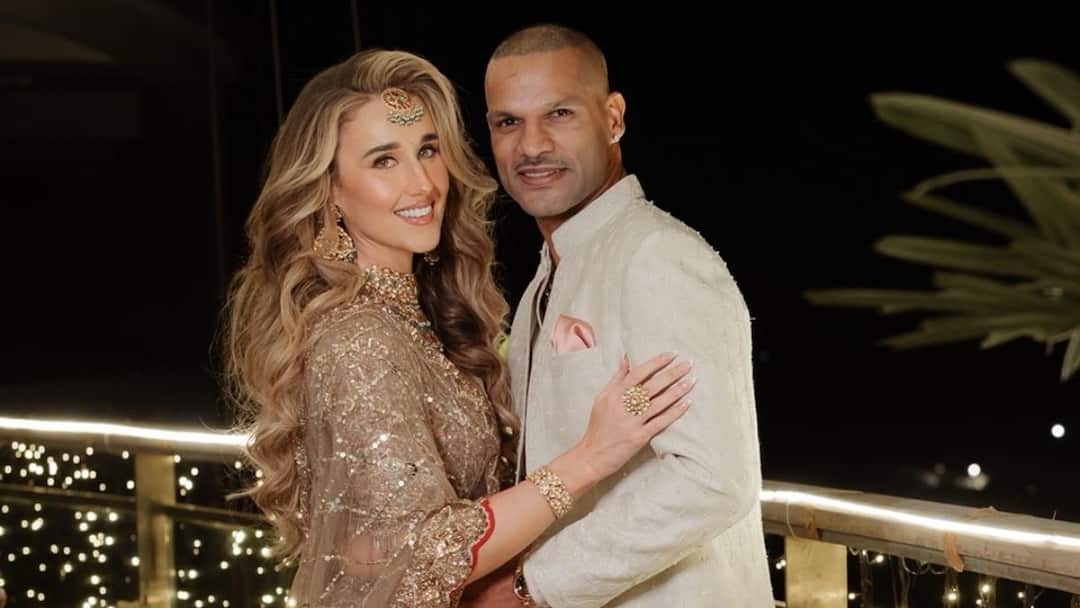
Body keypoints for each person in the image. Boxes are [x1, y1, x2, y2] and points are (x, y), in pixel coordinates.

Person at [223, 48, 693, 607]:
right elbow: (418, 554)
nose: (422, 183)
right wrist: (590, 457)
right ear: (330, 189)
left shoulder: (419, 317)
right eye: (384, 161)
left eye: (427, 150)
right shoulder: (359, 341)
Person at [480, 24, 774, 607]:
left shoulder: (656, 254)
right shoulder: (547, 276)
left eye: (559, 113)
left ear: (613, 118)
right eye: (508, 122)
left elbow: (711, 479)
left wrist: (530, 587)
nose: (531, 146)